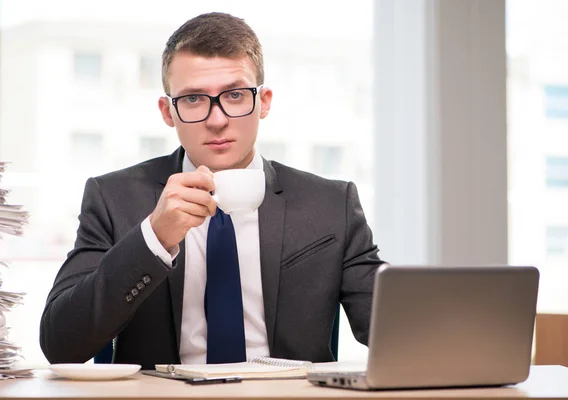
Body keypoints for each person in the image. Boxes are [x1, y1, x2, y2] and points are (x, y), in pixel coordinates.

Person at [40, 12, 383, 369]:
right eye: (193, 99)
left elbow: (394, 328)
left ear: (263, 102)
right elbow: (60, 344)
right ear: (167, 111)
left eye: (235, 95)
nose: (216, 119)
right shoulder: (113, 198)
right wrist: (153, 238)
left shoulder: (330, 204)